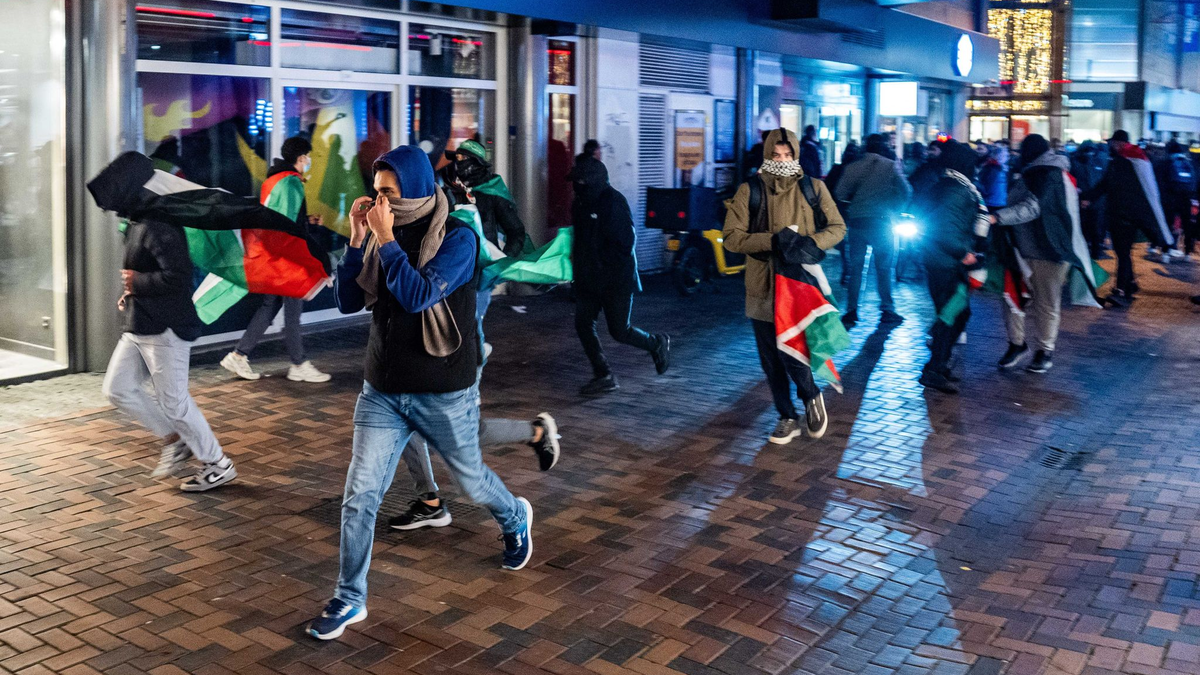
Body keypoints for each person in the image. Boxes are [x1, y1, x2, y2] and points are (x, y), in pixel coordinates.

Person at [307, 145, 533, 641]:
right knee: (360, 496)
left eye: (388, 192)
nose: (379, 200)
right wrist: (357, 239)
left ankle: (515, 516)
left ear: (413, 189)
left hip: (441, 388)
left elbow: (416, 295)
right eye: (375, 191)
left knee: (471, 482)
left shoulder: (458, 238)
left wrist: (385, 241)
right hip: (383, 389)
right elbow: (348, 301)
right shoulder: (378, 234)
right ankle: (350, 598)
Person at [723, 128, 846, 444]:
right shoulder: (749, 190)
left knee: (796, 351)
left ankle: (810, 395)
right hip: (762, 284)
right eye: (775, 156)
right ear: (767, 155)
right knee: (771, 359)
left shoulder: (813, 187)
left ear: (795, 154)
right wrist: (772, 241)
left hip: (800, 283)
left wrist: (809, 243)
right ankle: (786, 416)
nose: (781, 160)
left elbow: (837, 227)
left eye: (787, 154)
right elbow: (733, 237)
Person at [101, 217, 238, 491]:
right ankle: (175, 440)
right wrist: (130, 292)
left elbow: (178, 276)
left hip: (166, 328)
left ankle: (218, 464)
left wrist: (137, 283)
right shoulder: (135, 223)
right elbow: (140, 272)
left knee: (174, 403)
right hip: (139, 323)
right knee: (118, 388)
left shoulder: (158, 225)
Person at [221, 136, 330, 383]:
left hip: (271, 254)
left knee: (270, 307)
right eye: (308, 157)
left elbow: (280, 217)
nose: (309, 161)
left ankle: (239, 355)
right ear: (302, 157)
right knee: (293, 311)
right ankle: (298, 363)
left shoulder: (273, 180)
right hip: (286, 258)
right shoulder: (291, 183)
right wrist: (309, 254)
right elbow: (288, 227)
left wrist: (307, 220)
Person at [569, 155, 671, 396]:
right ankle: (603, 374)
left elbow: (625, 244)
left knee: (619, 331)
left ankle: (657, 343)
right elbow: (579, 242)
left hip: (616, 280)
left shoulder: (613, 202)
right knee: (583, 324)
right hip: (589, 279)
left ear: (591, 182)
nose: (576, 187)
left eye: (580, 182)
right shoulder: (580, 204)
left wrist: (601, 267)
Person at [989, 135, 1075, 374]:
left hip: (1048, 250)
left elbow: (1034, 207)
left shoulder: (1049, 174)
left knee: (1046, 302)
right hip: (1020, 248)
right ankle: (1017, 344)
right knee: (1012, 298)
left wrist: (999, 217)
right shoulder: (1033, 171)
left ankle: (1044, 351)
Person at [914, 140, 990, 394]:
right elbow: (944, 228)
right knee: (951, 315)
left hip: (942, 259)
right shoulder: (955, 189)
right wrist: (963, 253)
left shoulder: (951, 185)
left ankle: (939, 363)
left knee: (955, 313)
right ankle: (934, 369)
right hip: (946, 261)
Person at [445, 139, 528, 346]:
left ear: (476, 162)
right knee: (452, 324)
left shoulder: (493, 194)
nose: (457, 163)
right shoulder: (452, 190)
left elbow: (516, 232)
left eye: (462, 158)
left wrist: (501, 264)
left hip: (481, 272)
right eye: (456, 158)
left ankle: (474, 367)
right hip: (453, 268)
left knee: (471, 325)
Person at [1080, 130, 1173, 305]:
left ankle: (1121, 291)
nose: (1111, 146)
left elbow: (1110, 186)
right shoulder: (1135, 160)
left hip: (1122, 217)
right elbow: (1107, 185)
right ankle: (1129, 285)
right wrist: (1088, 197)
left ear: (1119, 143)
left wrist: (1087, 197)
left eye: (1113, 143)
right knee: (1123, 253)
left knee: (1122, 254)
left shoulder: (1125, 162)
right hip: (1126, 217)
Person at [834, 133, 912, 328]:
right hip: (883, 223)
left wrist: (854, 203)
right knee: (885, 268)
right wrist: (896, 208)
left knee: (856, 269)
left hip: (858, 222)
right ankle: (887, 310)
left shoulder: (853, 166)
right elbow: (907, 191)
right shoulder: (890, 165)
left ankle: (851, 311)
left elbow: (840, 193)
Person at [1155, 140, 1196, 257]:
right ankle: (1188, 252)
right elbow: (1194, 181)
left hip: (1171, 198)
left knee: (1168, 224)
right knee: (1187, 225)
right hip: (1186, 197)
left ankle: (1165, 252)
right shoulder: (1187, 163)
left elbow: (1161, 182)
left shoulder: (1166, 162)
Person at [1070, 141, 1107, 259]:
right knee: (1083, 230)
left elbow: (1102, 183)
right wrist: (1082, 198)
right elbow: (1072, 182)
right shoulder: (1075, 161)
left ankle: (1096, 253)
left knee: (1096, 230)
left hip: (1096, 202)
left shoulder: (1099, 161)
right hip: (1082, 202)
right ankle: (1085, 254)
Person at [977, 143, 1009, 210]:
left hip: (991, 203)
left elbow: (986, 189)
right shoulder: (1003, 168)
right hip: (1000, 202)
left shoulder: (992, 169)